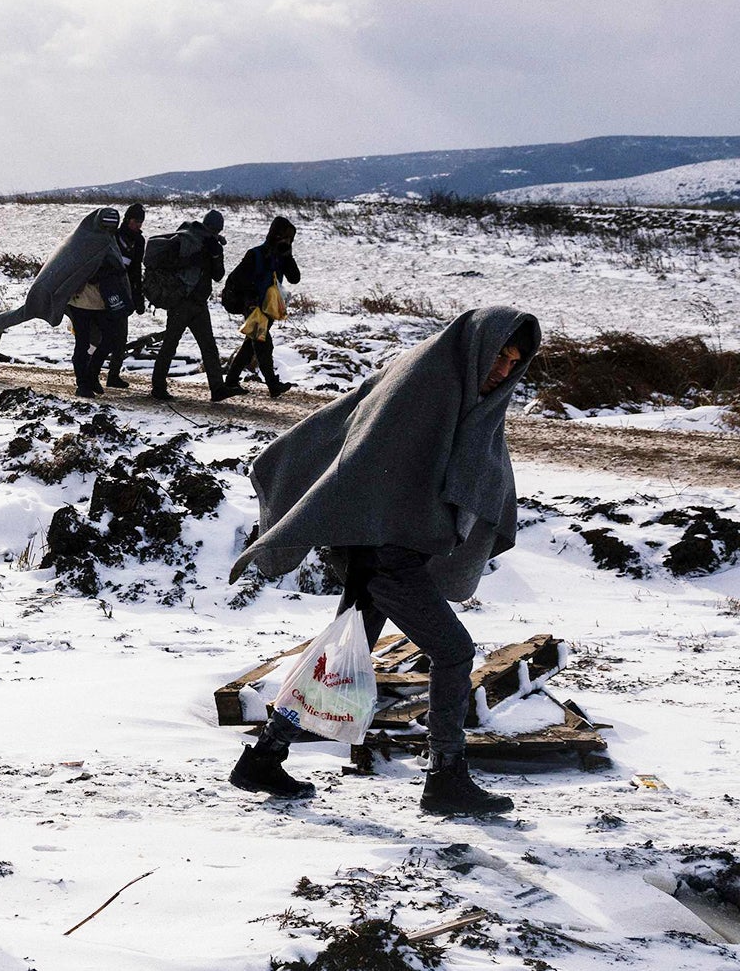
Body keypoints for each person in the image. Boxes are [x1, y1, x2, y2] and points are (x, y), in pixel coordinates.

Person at [227, 307, 543, 815]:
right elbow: (366, 449)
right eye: (500, 357)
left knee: (341, 654)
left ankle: (265, 757)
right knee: (455, 651)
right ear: (480, 346)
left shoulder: (460, 386)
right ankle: (445, 779)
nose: (504, 370)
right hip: (385, 552)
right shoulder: (428, 383)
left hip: (384, 546)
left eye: (515, 362)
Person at [0, 207, 128, 395]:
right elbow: (68, 266)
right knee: (82, 343)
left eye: (112, 227)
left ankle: (92, 375)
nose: (108, 230)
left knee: (109, 340)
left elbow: (117, 268)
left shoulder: (110, 241)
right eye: (106, 226)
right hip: (80, 303)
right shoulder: (81, 240)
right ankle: (82, 384)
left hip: (103, 302)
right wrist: (95, 272)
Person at [147, 209, 229, 402]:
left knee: (208, 346)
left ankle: (217, 388)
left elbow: (218, 275)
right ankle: (158, 387)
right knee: (171, 345)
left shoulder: (213, 246)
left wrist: (216, 256)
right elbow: (169, 264)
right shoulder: (187, 240)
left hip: (199, 303)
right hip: (182, 302)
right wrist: (196, 258)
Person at [222, 216, 301, 398]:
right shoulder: (256, 254)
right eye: (284, 238)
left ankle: (232, 380)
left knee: (251, 344)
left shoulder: (282, 256)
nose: (287, 242)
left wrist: (288, 256)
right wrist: (251, 300)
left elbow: (295, 278)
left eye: (290, 239)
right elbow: (238, 279)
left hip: (269, 308)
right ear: (275, 235)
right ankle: (272, 385)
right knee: (263, 345)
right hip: (253, 306)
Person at [107, 203, 149, 389]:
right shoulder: (113, 236)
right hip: (105, 289)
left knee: (121, 336)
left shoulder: (139, 241)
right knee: (100, 335)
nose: (138, 225)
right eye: (135, 221)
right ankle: (87, 373)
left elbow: (136, 269)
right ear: (127, 220)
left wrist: (138, 298)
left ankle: (113, 374)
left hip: (124, 291)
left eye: (140, 222)